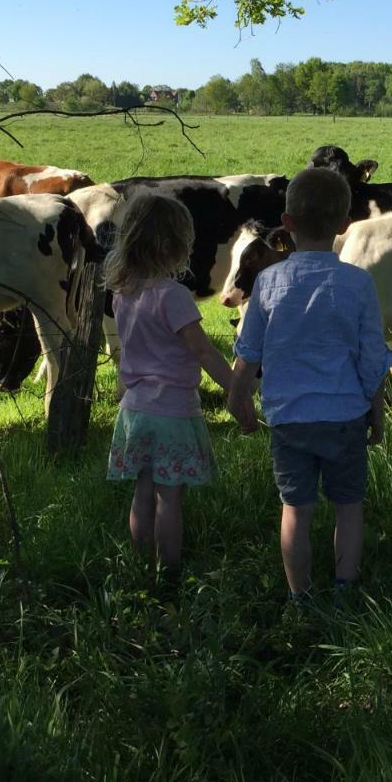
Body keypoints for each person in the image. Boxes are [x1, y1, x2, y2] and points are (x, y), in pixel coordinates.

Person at [227, 167, 392, 602]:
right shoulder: (359, 284)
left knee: (295, 510)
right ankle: (345, 590)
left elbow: (250, 352)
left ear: (287, 223)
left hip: (289, 419)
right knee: (349, 507)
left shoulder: (268, 282)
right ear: (344, 225)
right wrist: (376, 409)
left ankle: (300, 596)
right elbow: (372, 356)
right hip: (344, 417)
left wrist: (237, 395)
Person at [104, 193, 232, 573]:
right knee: (170, 499)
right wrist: (235, 386)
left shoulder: (123, 293)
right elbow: (203, 351)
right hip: (172, 412)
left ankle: (140, 563)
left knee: (143, 492)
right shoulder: (173, 296)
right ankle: (169, 572)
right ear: (171, 246)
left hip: (134, 409)